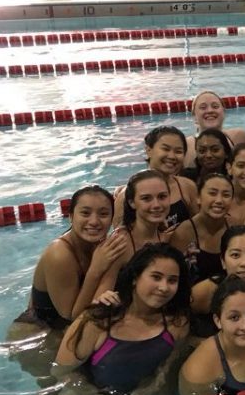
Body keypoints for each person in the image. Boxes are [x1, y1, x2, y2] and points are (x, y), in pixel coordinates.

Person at [55, 243, 190, 395]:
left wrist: (148, 390)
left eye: (172, 280)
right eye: (156, 277)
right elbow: (62, 373)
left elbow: (166, 370)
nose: (164, 287)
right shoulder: (98, 320)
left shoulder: (177, 324)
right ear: (135, 278)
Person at [12, 186, 127, 333]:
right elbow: (71, 317)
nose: (94, 221)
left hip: (63, 330)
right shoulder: (59, 254)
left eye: (103, 214)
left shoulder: (99, 243)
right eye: (85, 213)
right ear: (71, 216)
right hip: (37, 334)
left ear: (111, 219)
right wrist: (95, 270)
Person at [95, 170, 172, 299]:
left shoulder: (167, 237)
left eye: (162, 197)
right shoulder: (119, 244)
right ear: (131, 202)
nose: (156, 205)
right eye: (146, 198)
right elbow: (99, 299)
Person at [113, 126, 198, 231]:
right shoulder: (125, 196)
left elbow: (199, 229)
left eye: (178, 151)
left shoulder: (187, 187)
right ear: (149, 150)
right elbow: (120, 239)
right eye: (165, 149)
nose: (172, 156)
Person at [168, 174, 234, 283]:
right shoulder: (183, 233)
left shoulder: (235, 228)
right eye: (212, 193)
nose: (219, 200)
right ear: (198, 197)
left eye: (226, 195)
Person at [183, 91, 245, 169]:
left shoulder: (240, 137)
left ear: (224, 112)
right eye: (203, 107)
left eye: (215, 106)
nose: (210, 111)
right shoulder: (186, 146)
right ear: (194, 116)